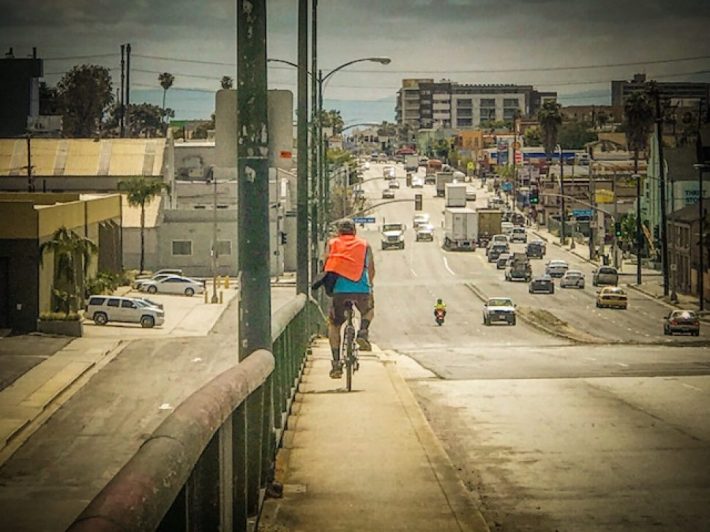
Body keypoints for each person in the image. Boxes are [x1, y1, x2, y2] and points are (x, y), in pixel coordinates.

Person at [322, 218, 375, 379]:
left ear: (339, 232)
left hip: (339, 290)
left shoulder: (332, 243)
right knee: (368, 310)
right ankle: (363, 332)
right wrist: (369, 286)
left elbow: (326, 265)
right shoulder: (365, 245)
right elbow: (371, 269)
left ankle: (336, 363)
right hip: (361, 289)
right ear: (354, 231)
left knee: (335, 324)